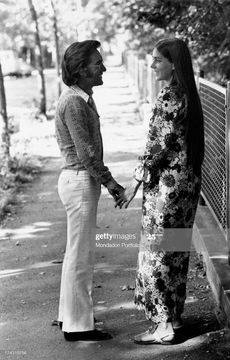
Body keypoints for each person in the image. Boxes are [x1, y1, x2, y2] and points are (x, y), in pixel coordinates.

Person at [118, 38, 204, 344]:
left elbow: (157, 148)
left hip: (167, 194)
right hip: (184, 188)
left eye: (157, 59)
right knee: (175, 251)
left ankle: (164, 326)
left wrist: (134, 183)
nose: (152, 64)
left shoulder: (170, 96)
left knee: (157, 256)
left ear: (173, 64)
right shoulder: (187, 95)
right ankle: (175, 319)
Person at [55, 40, 125, 342]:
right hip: (80, 181)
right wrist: (111, 182)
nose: (104, 67)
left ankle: (67, 316)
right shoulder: (73, 102)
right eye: (97, 63)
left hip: (81, 181)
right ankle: (78, 326)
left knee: (76, 253)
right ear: (81, 70)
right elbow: (85, 152)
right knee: (81, 256)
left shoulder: (81, 97)